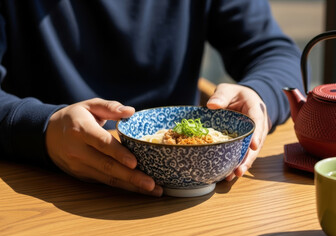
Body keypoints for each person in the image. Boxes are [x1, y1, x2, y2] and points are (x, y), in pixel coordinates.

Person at [0, 0, 302, 196]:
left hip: (192, 192)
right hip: (49, 187)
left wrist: (259, 94)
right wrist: (41, 129)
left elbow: (274, 52)